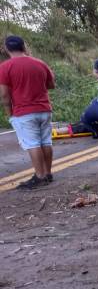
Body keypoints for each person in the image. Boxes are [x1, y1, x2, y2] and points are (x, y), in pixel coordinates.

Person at [0, 35, 56, 189]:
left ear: (6, 48)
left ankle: (39, 176)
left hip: (24, 111)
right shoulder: (40, 63)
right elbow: (51, 85)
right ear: (23, 46)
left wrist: (9, 113)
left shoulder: (5, 67)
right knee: (46, 141)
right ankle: (48, 173)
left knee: (32, 144)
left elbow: (5, 95)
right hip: (44, 109)